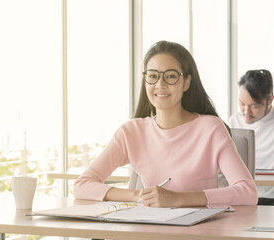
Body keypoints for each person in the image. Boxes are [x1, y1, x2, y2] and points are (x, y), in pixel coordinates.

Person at [74, 40, 258, 207]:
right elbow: (83, 185)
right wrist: (139, 196)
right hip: (150, 229)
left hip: (198, 231)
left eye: (170, 76)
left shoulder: (211, 128)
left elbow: (248, 192)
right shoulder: (131, 132)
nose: (160, 84)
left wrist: (178, 199)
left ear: (186, 82)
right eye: (153, 76)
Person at [230, 69, 274, 206]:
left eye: (254, 106)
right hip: (244, 198)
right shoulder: (235, 120)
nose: (246, 112)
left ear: (270, 100)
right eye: (242, 104)